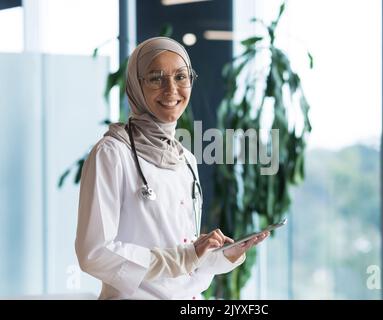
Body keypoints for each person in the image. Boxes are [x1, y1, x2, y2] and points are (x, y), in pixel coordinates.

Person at [75, 37, 269, 300]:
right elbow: (94, 253)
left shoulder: (185, 159)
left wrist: (220, 256)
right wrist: (184, 256)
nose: (171, 89)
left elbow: (182, 258)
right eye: (156, 78)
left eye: (181, 76)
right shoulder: (112, 154)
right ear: (135, 85)